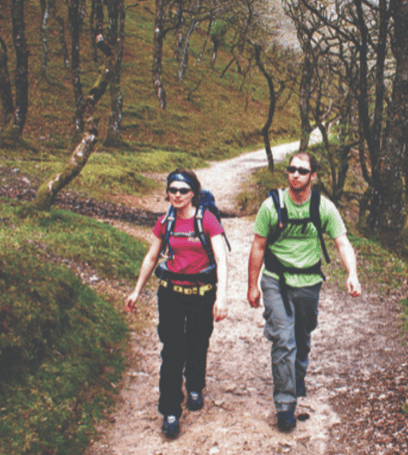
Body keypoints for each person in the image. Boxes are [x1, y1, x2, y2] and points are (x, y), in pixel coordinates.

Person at [247, 152, 361, 432]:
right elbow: (258, 246)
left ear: (313, 176)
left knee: (302, 338)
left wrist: (352, 273)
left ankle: (296, 379)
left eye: (302, 170)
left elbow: (341, 242)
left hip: (309, 283)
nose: (295, 174)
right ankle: (285, 405)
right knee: (283, 340)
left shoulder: (323, 207)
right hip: (276, 280)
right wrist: (252, 285)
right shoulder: (271, 206)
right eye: (291, 169)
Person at [125, 169, 229, 438]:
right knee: (172, 350)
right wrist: (136, 291)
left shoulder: (207, 221)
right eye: (172, 190)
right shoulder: (165, 222)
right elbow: (151, 257)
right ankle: (170, 410)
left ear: (193, 192)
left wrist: (222, 296)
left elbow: (221, 260)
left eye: (183, 190)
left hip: (201, 294)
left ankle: (194, 385)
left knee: (198, 341)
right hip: (170, 293)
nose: (177, 195)